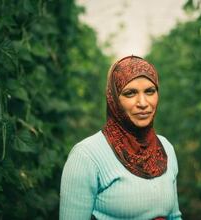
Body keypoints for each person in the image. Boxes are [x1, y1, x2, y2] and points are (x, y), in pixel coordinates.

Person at [59, 55, 182, 220]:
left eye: (150, 91)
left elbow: (174, 216)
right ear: (114, 99)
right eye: (130, 93)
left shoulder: (165, 148)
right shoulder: (86, 156)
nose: (143, 103)